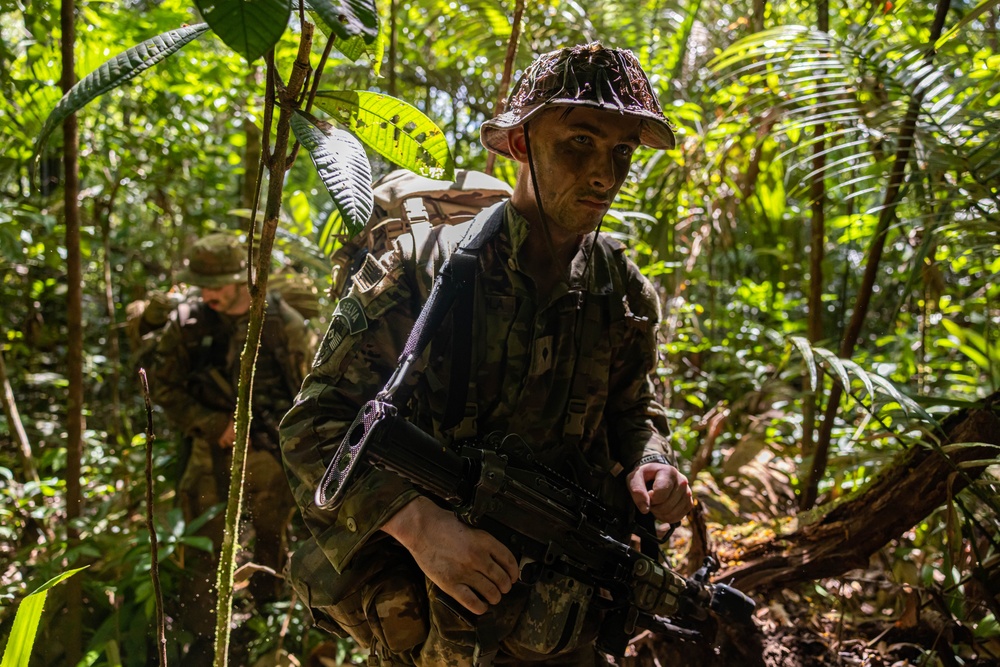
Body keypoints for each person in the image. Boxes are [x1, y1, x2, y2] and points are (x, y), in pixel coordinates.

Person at [280, 43, 694, 665]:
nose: (605, 174)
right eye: (579, 142)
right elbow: (315, 429)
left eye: (621, 153)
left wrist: (651, 465)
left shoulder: (622, 291)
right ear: (523, 144)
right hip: (436, 609)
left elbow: (634, 412)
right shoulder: (425, 267)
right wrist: (422, 528)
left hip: (559, 616)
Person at [147, 232, 316, 664]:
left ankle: (262, 631)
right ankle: (203, 637)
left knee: (268, 541)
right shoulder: (186, 323)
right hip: (209, 451)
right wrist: (211, 423)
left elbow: (313, 394)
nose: (206, 293)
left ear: (242, 280)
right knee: (203, 541)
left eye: (216, 283)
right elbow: (161, 385)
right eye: (200, 283)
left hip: (267, 455)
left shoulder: (284, 325)